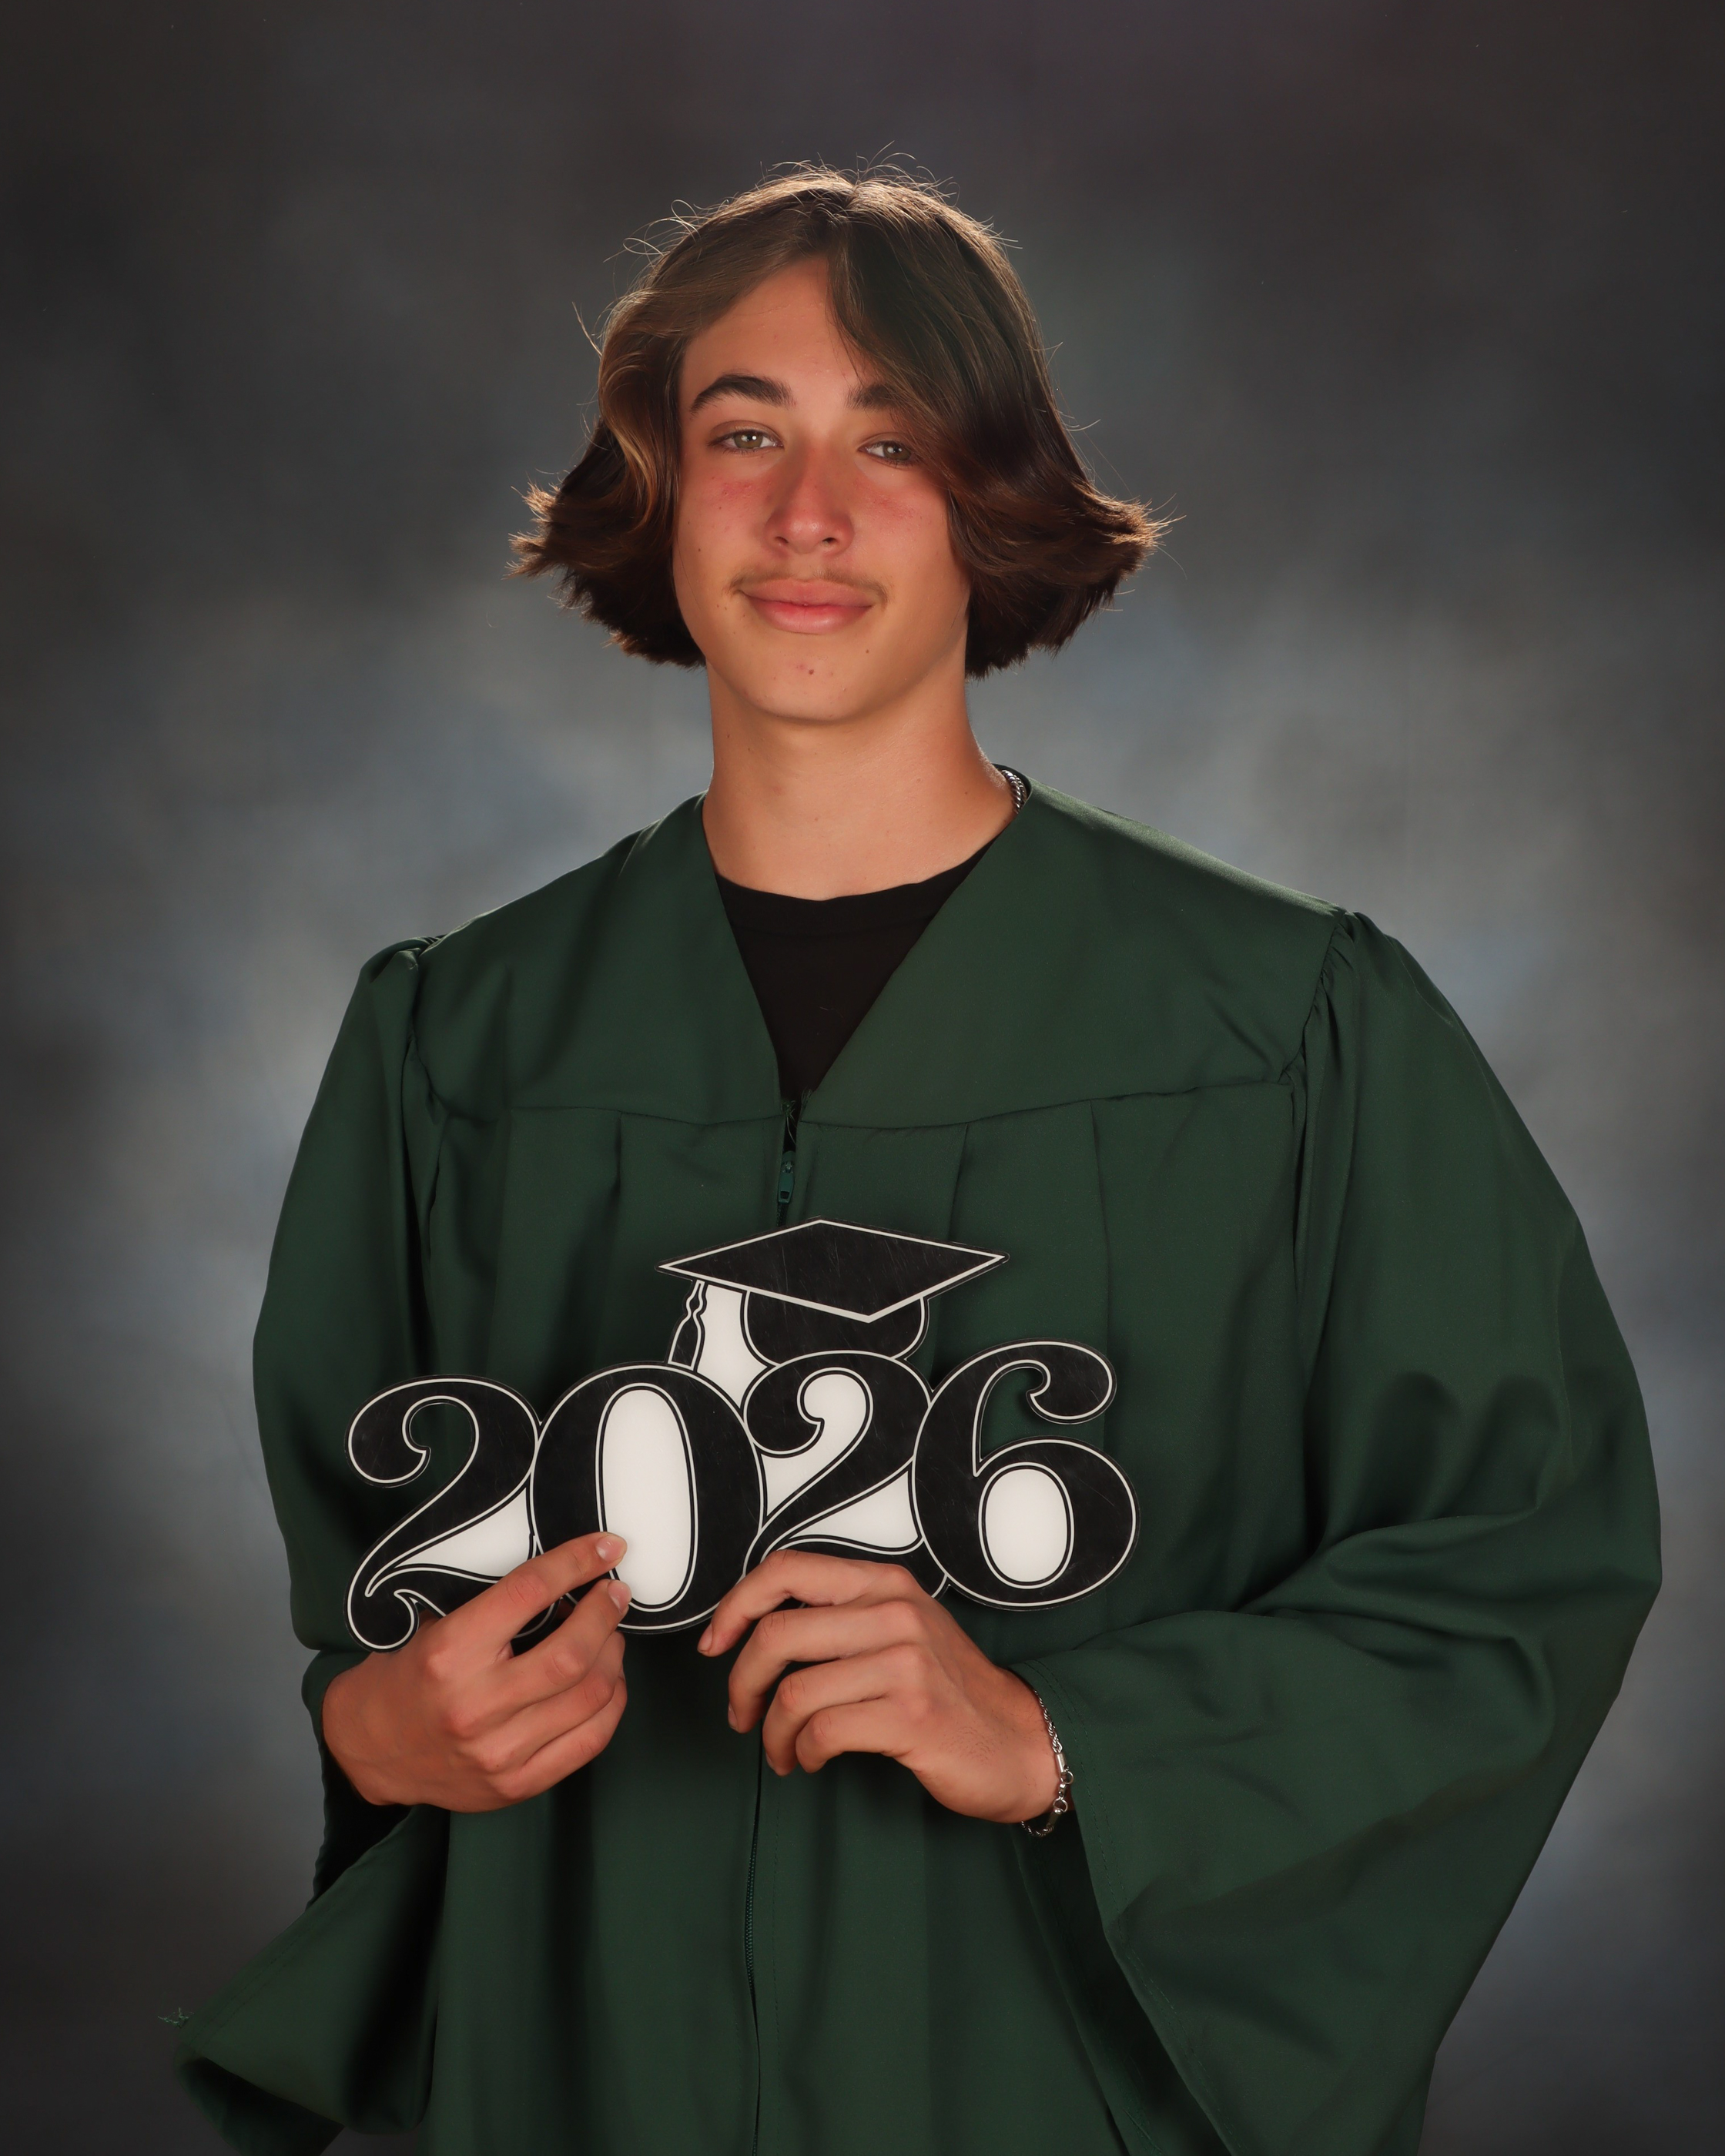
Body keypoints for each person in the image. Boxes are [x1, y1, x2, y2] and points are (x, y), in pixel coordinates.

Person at [176, 166, 1660, 2156]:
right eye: (744, 435)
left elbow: (1516, 1575)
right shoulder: (461, 1049)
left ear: (991, 500)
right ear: (661, 489)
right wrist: (372, 1729)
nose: (809, 512)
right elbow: (372, 1622)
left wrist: (1062, 1737)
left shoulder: (1290, 1033)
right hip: (588, 2082)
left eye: (891, 440)